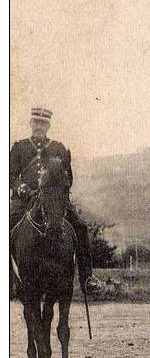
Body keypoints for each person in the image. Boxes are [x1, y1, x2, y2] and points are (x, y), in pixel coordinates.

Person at [9, 107, 100, 293]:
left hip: (53, 200)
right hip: (25, 200)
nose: (39, 127)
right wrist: (22, 188)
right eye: (36, 122)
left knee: (80, 227)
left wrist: (58, 190)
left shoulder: (58, 148)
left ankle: (87, 278)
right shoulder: (19, 147)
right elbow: (10, 175)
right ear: (30, 123)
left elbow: (69, 177)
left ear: (48, 125)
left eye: (43, 123)